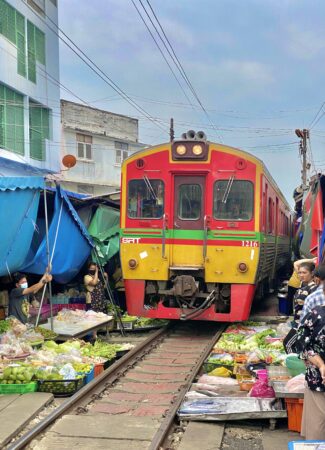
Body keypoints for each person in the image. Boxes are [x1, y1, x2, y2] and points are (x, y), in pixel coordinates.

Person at [295, 295, 325, 440]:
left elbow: (301, 344)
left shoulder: (316, 315)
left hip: (318, 378)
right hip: (318, 377)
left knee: (317, 422)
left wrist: (321, 365)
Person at [292, 261, 318, 327]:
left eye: (304, 273)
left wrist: (313, 260)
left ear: (312, 273)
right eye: (299, 273)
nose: (301, 275)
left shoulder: (313, 288)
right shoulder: (302, 284)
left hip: (305, 324)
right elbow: (295, 263)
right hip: (297, 322)